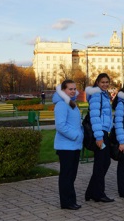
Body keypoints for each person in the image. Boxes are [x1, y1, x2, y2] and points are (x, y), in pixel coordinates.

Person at [53, 80, 83, 210]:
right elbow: (60, 126)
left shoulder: (71, 103)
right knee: (67, 175)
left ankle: (71, 200)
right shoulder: (61, 104)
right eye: (70, 89)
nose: (73, 91)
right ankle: (66, 202)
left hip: (74, 146)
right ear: (63, 90)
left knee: (72, 175)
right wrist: (75, 135)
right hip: (66, 147)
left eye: (74, 89)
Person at [85, 73, 115, 203]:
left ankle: (91, 191)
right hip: (100, 133)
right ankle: (98, 193)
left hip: (104, 132)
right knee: (101, 163)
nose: (105, 84)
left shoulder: (104, 95)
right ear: (97, 82)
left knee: (103, 162)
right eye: (102, 82)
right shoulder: (97, 95)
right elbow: (95, 117)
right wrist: (99, 136)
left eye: (107, 82)